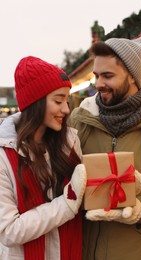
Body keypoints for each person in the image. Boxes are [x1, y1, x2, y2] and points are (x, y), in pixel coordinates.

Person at [70, 37, 141, 260]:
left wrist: (136, 209)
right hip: (82, 249)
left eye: (108, 76)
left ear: (132, 76)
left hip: (135, 251)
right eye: (96, 75)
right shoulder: (79, 119)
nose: (98, 84)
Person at [0, 56, 87, 260]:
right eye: (58, 101)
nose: (66, 109)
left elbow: (85, 200)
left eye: (67, 100)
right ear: (36, 103)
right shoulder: (4, 154)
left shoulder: (70, 142)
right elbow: (9, 231)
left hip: (71, 252)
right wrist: (67, 204)